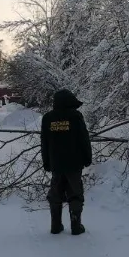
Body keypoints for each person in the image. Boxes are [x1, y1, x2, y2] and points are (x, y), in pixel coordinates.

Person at [41, 89, 93, 235]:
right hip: (74, 163)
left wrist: (46, 162)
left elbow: (44, 142)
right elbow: (84, 139)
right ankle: (76, 226)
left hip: (56, 163)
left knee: (55, 193)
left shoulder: (47, 118)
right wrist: (87, 158)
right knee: (75, 193)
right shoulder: (75, 116)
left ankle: (55, 225)